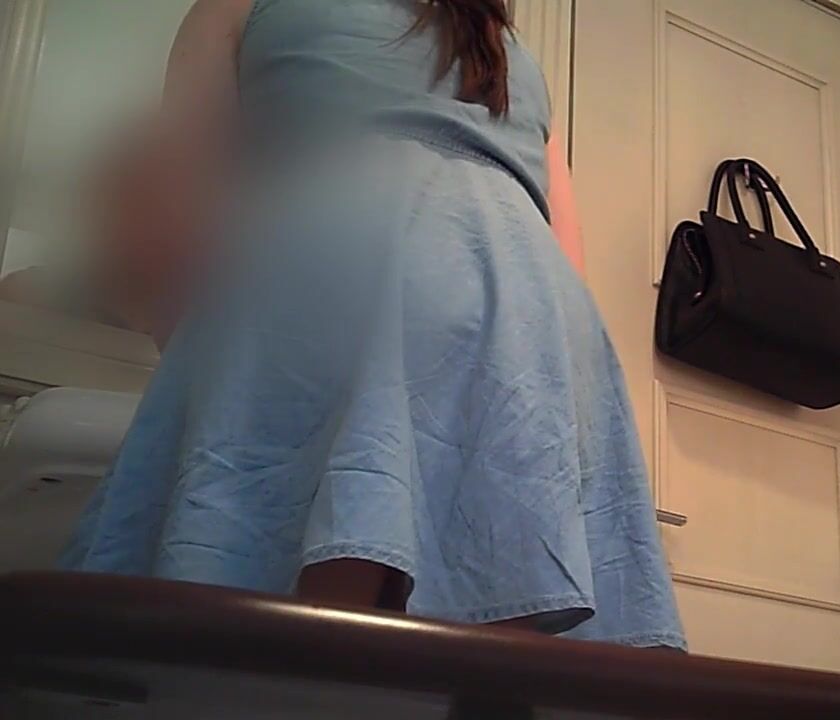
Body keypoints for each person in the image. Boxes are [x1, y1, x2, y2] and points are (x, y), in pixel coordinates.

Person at [60, 0, 685, 650]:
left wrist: (210, 392)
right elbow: (568, 256)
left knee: (296, 652)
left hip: (328, 277)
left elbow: (174, 225)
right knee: (492, 655)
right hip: (527, 324)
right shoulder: (511, 54)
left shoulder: (242, 5)